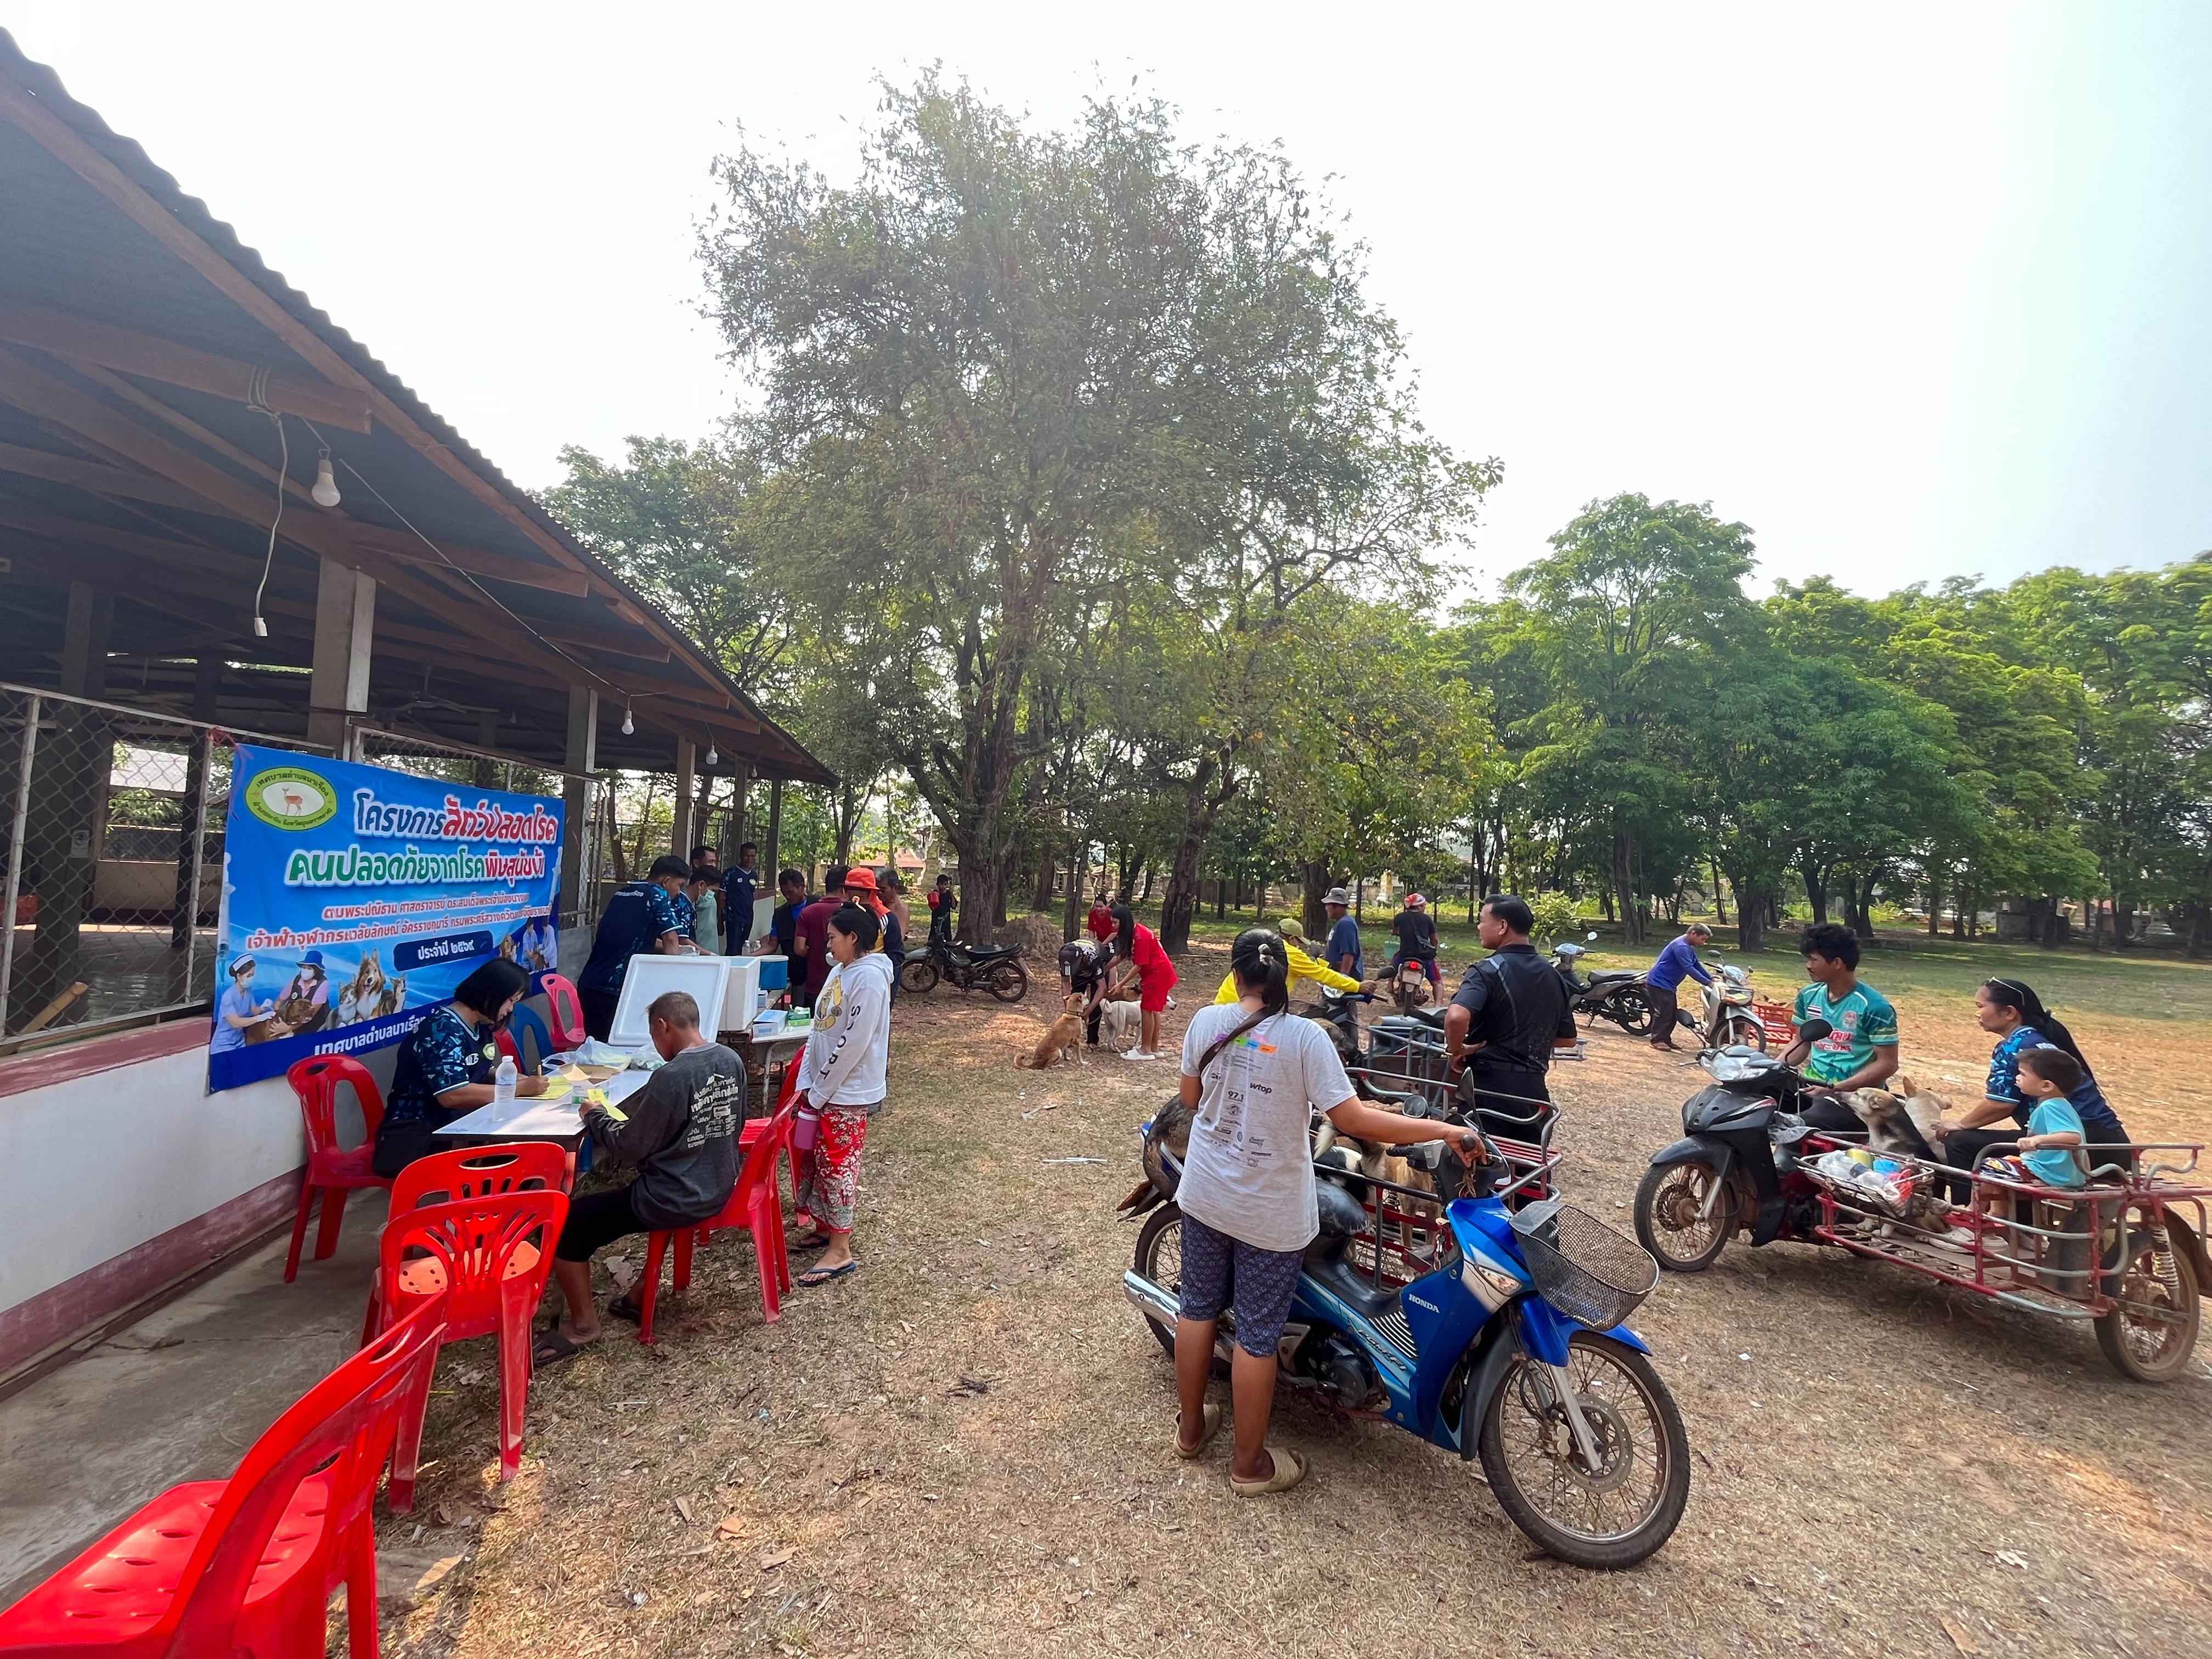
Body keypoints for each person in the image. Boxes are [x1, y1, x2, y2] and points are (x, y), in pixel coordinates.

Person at [1173, 929, 1488, 1496]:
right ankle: (1249, 1467)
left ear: (1237, 975)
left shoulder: (1205, 1022)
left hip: (1205, 1194)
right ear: (1286, 977)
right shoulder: (1304, 1038)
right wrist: (1441, 1128)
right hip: (1269, 1212)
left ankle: (1191, 1432)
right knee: (1257, 1336)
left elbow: (1192, 1099)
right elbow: (1355, 1120)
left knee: (1197, 1309)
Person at [533, 990, 746, 1363]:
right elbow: (733, 1124)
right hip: (719, 1184)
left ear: (663, 1027)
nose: (656, 1045)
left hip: (672, 1197)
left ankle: (583, 1325)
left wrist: (594, 1114)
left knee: (567, 1223)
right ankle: (639, 1294)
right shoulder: (731, 1059)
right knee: (620, 1201)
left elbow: (629, 1147)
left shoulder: (671, 1076)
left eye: (653, 1035)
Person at [1932, 977, 2131, 1190]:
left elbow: (2001, 1104)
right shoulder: (2041, 1039)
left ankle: (1968, 1209)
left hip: (2075, 1152)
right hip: (2113, 1148)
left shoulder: (2015, 1047)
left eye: (1981, 1006)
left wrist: (1961, 1125)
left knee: (1960, 1142)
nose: (1977, 1013)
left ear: (2010, 1012)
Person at [791, 904, 895, 1286]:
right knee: (818, 1160)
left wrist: (821, 1090)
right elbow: (820, 1029)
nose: (828, 944)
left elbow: (854, 1042)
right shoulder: (840, 970)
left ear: (853, 938)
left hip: (847, 1091)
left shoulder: (869, 978)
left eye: (833, 937)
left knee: (838, 1165)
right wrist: (809, 1082)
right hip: (824, 1088)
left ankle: (840, 1250)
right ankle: (824, 1226)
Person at [373, 958, 546, 1177]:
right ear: (490, 993)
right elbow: (452, 1094)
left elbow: (473, 1070)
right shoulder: (442, 1029)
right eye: (510, 1000)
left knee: (529, 1141)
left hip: (458, 1125)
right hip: (416, 1136)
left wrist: (506, 1077)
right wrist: (517, 1090)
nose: (511, 1008)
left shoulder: (480, 1026)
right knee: (515, 1149)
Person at [1442, 894, 1577, 1125]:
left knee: (1474, 1146)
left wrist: (1456, 1051)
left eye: (1482, 920)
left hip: (1489, 1091)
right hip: (1534, 1095)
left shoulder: (1487, 970)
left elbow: (1456, 1017)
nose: (1479, 927)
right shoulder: (1553, 975)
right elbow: (1568, 1039)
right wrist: (1521, 1038)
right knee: (1525, 1149)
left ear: (1503, 926)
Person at [1948, 1047, 2088, 1252]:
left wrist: (2038, 1140)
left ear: (2046, 1085)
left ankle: (1976, 1218)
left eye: (2022, 1074)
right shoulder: (2057, 1104)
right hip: (2055, 1171)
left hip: (2050, 1172)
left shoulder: (2051, 1107)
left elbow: (2073, 1137)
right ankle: (1997, 1219)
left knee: (1989, 1166)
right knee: (2003, 1168)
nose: (2017, 1077)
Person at [1780, 923, 1898, 1130]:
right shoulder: (1808, 996)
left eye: (1813, 960)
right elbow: (1800, 1042)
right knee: (1753, 1104)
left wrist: (1835, 1088)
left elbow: (1888, 1064)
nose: (1808, 966)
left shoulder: (1875, 1007)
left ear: (1837, 963)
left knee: (1800, 1125)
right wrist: (1770, 1070)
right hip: (1810, 1085)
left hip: (1854, 1097)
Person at [575, 854, 704, 1040]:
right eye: (679, 885)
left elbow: (634, 937)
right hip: (616, 988)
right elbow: (671, 940)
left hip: (590, 983)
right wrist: (676, 979)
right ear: (666, 881)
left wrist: (681, 950)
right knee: (616, 1047)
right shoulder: (658, 894)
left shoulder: (623, 893)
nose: (679, 892)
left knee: (596, 1045)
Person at [1212, 917, 1367, 1005]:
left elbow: (1311, 965)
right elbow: (1322, 975)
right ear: (1292, 938)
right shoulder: (1290, 954)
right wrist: (1357, 986)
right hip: (1249, 1009)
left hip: (1225, 1001)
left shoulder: (1262, 945)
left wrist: (1325, 964)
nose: (1299, 946)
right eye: (1299, 941)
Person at [1109, 900, 1178, 1062]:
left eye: (1115, 922)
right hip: (1158, 973)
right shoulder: (1134, 932)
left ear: (1124, 921)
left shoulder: (1141, 937)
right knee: (1153, 1009)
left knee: (1147, 1009)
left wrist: (1120, 984)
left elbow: (1139, 965)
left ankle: (1145, 1049)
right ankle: (1153, 1047)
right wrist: (1104, 969)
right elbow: (1122, 955)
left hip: (1158, 974)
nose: (1113, 926)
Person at [1643, 922, 1714, 1052]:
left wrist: (1710, 979)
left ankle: (1665, 1039)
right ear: (1693, 934)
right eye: (1703, 939)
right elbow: (1689, 968)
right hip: (1659, 983)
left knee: (1671, 1014)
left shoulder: (1688, 946)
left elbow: (1696, 964)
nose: (1703, 943)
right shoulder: (1681, 946)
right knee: (1664, 1012)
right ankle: (1657, 1040)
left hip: (1668, 985)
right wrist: (1707, 983)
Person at [793, 867, 848, 1011]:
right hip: (846, 985)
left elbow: (799, 948)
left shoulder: (808, 912)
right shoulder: (852, 912)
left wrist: (815, 953)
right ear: (844, 888)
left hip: (816, 983)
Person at [211, 954, 278, 1052]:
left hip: (240, 1040)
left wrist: (263, 1007)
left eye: (253, 975)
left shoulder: (248, 991)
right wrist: (259, 1018)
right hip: (224, 1043)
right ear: (239, 976)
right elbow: (236, 1023)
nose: (251, 979)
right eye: (249, 976)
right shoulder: (228, 997)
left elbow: (254, 1010)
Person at [1059, 933, 1117, 1045]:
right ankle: (1072, 1039)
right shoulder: (1064, 955)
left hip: (1099, 967)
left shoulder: (1093, 957)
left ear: (1081, 957)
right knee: (1075, 1001)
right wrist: (1068, 1007)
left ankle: (1092, 1041)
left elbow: (1102, 988)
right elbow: (1065, 983)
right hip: (1080, 973)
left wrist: (1088, 1010)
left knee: (1095, 1006)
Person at [1389, 893, 1441, 990]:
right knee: (1437, 983)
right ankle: (1438, 999)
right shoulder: (1427, 919)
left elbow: (1395, 931)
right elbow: (1435, 939)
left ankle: (1390, 985)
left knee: (1393, 962)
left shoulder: (1400, 917)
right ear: (1420, 906)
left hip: (1404, 955)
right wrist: (1433, 950)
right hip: (1424, 957)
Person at [722, 842, 761, 953]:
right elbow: (721, 897)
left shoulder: (754, 875)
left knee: (744, 946)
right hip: (734, 917)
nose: (749, 859)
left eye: (752, 856)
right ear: (740, 855)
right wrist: (720, 919)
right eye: (746, 856)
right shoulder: (731, 873)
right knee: (733, 948)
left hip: (748, 915)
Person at [769, 868, 810, 963]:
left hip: (813, 964)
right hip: (791, 966)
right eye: (784, 893)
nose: (787, 896)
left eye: (790, 892)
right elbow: (772, 945)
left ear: (802, 887)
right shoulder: (780, 914)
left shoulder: (817, 906)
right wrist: (750, 957)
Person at [1323, 887, 1361, 979]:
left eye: (1328, 905)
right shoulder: (1341, 923)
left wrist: (1343, 979)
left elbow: (1348, 955)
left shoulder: (1346, 925)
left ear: (1336, 906)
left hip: (1346, 980)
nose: (1326, 908)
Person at [687, 865, 721, 961]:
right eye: (712, 891)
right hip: (696, 952)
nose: (712, 895)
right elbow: (682, 939)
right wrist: (708, 953)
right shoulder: (683, 905)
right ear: (701, 885)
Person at [927, 873, 956, 946]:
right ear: (938, 884)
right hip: (936, 918)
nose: (943, 886)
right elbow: (932, 907)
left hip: (946, 919)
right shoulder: (935, 894)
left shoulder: (948, 894)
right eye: (941, 884)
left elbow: (954, 906)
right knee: (935, 935)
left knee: (947, 936)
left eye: (945, 884)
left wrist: (952, 894)